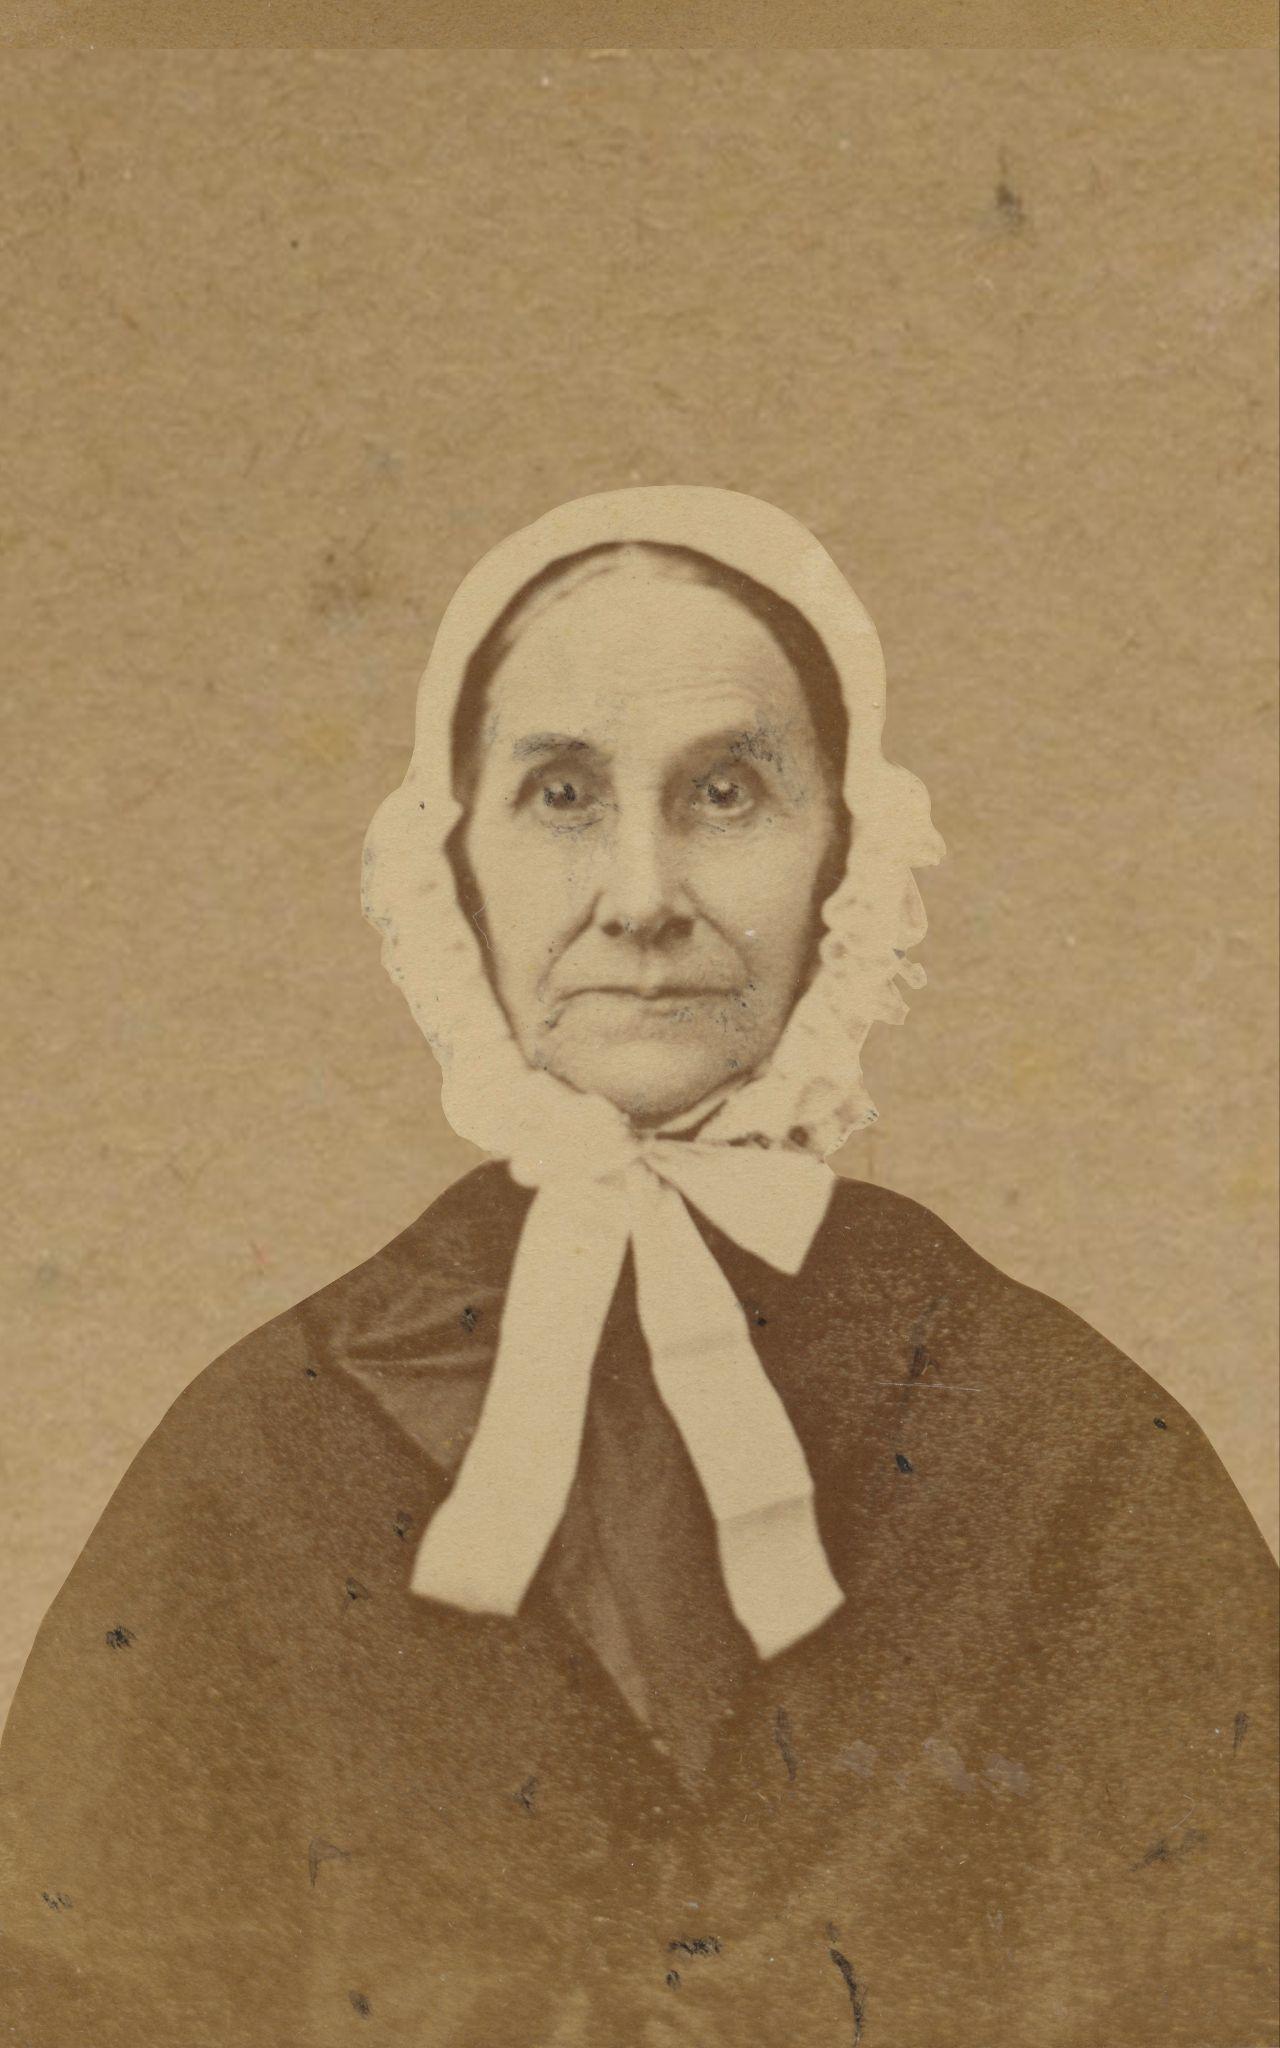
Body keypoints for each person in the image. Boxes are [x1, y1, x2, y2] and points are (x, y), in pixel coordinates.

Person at [1, 487, 1275, 2048]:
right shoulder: (264, 1452)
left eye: (727, 791)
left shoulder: (1076, 1456)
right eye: (560, 794)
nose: (646, 896)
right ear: (450, 862)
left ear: (846, 855)